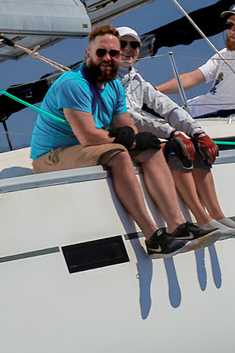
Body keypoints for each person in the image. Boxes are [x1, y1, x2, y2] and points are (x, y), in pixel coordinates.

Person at [28, 25, 193, 255]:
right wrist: (130, 141)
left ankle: (178, 227)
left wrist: (134, 135)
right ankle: (153, 236)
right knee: (119, 154)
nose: (108, 58)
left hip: (83, 147)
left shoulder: (114, 85)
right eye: (101, 52)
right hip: (52, 156)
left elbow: (123, 122)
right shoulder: (73, 84)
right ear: (88, 54)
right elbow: (87, 136)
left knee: (153, 149)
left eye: (113, 53)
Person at [116, 27, 235, 242]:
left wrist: (197, 132)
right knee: (175, 147)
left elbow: (167, 107)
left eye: (134, 45)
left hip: (138, 137)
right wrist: (172, 133)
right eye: (123, 44)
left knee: (196, 145)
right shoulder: (106, 78)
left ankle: (217, 214)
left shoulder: (136, 80)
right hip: (119, 137)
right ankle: (202, 217)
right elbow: (127, 116)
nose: (129, 49)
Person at [161, 3, 235, 119]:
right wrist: (154, 90)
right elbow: (193, 78)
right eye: (229, 25)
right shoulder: (224, 53)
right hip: (185, 113)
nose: (233, 30)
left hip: (204, 123)